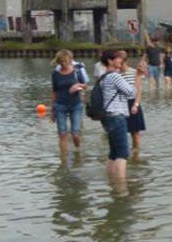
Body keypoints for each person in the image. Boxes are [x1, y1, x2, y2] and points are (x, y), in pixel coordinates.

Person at [98, 50, 139, 178]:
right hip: (116, 116)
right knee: (122, 153)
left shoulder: (103, 77)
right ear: (110, 61)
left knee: (113, 153)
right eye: (118, 58)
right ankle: (121, 186)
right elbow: (131, 93)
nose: (121, 60)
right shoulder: (115, 76)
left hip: (107, 116)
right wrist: (138, 77)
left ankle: (111, 180)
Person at [49, 49, 88, 156]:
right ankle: (63, 160)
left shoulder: (77, 71)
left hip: (75, 105)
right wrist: (52, 110)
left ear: (70, 60)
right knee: (62, 134)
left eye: (65, 61)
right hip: (60, 105)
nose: (63, 64)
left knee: (75, 133)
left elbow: (85, 85)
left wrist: (78, 85)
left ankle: (78, 152)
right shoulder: (55, 74)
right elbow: (54, 91)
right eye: (61, 62)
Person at [117, 50, 146, 152]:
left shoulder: (134, 72)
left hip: (132, 102)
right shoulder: (116, 75)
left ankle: (135, 153)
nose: (119, 65)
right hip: (120, 104)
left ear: (125, 61)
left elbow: (138, 90)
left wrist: (136, 104)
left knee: (135, 133)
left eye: (121, 62)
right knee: (121, 132)